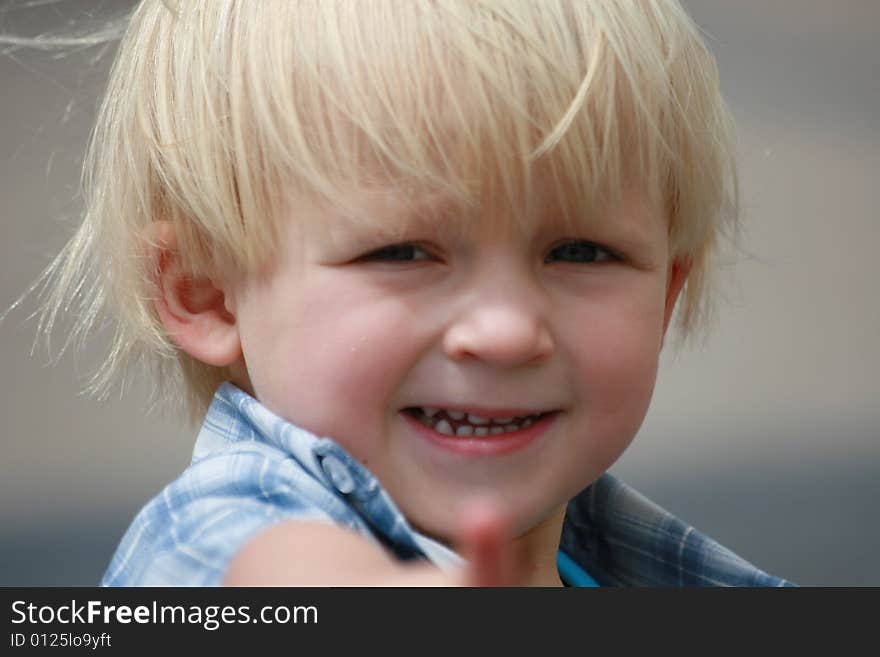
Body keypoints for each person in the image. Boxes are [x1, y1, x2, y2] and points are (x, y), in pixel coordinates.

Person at [34, 0, 793, 586]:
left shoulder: (624, 558)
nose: (505, 330)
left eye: (580, 251)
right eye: (402, 252)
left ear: (665, 292)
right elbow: (265, 569)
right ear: (207, 295)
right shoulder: (228, 523)